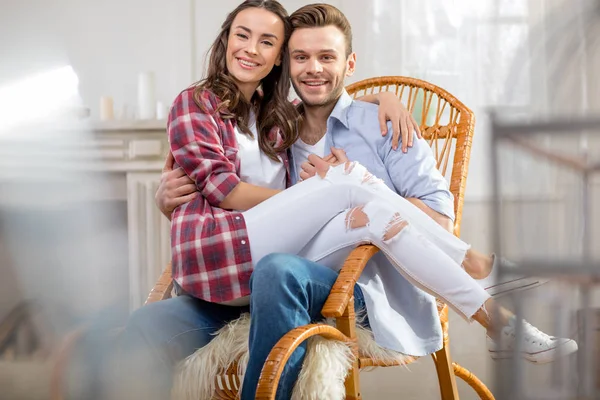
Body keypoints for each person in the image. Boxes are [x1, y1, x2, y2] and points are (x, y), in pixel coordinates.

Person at [141, 2, 577, 399]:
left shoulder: (383, 124)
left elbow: (439, 223)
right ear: (287, 67)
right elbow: (225, 185)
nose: (314, 69)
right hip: (260, 262)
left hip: (360, 284)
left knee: (352, 191)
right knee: (346, 183)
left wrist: (376, 101)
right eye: (302, 58)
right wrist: (315, 193)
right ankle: (484, 283)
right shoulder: (280, 127)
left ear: (349, 64)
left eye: (327, 57)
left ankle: (496, 312)